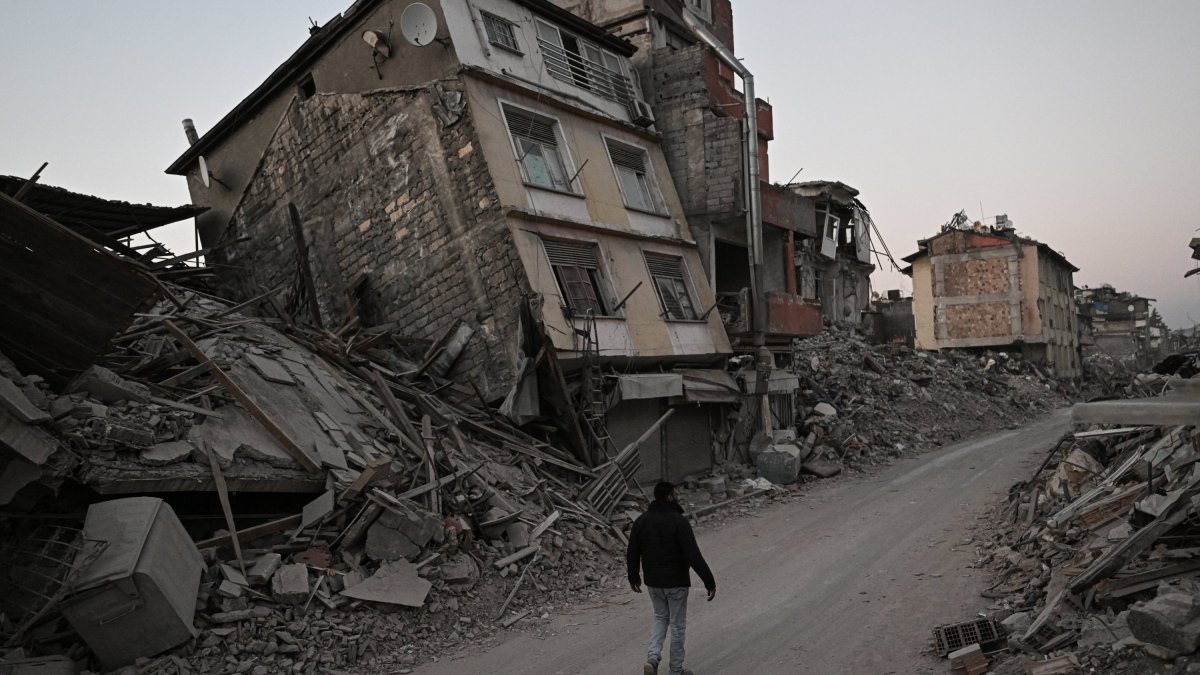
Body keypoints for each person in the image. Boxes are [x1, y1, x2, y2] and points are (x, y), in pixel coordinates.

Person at [626, 481, 716, 675]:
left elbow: (632, 550)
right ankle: (675, 670)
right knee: (677, 625)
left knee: (660, 618)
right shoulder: (679, 522)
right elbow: (693, 554)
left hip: (653, 582)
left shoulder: (641, 521)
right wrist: (709, 581)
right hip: (676, 583)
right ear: (669, 497)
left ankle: (653, 657)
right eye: (676, 494)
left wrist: (633, 576)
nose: (678, 496)